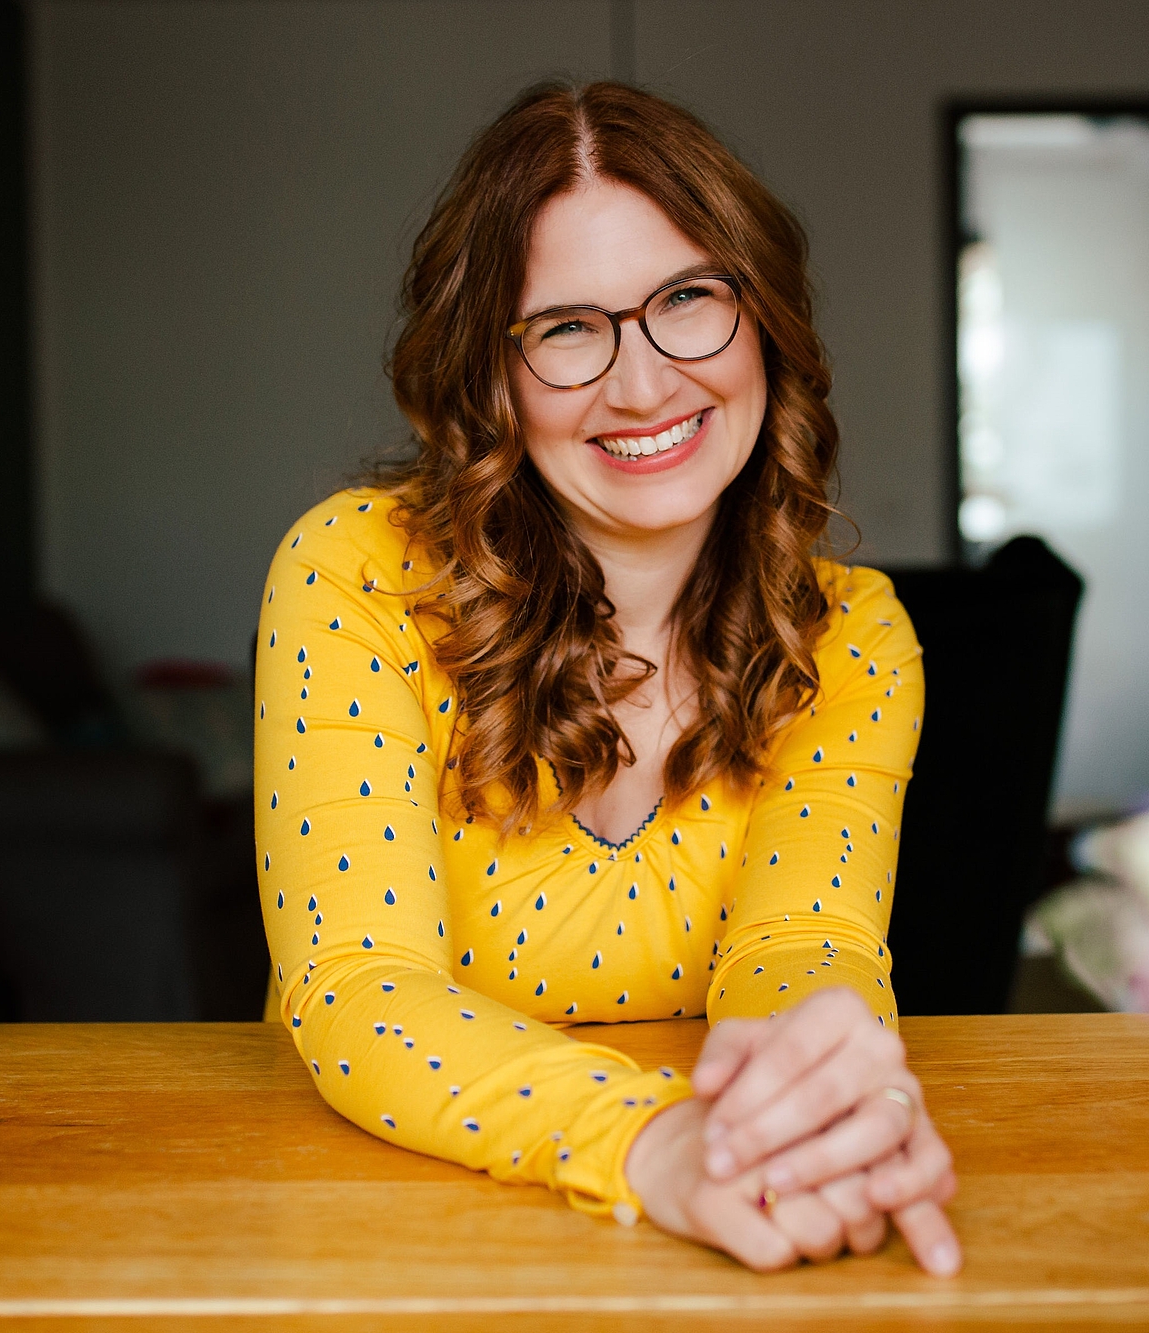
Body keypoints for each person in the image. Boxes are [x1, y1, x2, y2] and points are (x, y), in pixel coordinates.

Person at [254, 81, 958, 1275]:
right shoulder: (353, 575)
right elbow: (360, 986)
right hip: (378, 1223)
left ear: (765, 322)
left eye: (688, 299)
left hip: (708, 1218)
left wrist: (825, 1112)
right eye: (569, 328)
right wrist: (655, 1145)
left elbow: (804, 946)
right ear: (492, 373)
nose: (640, 386)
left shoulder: (851, 639)